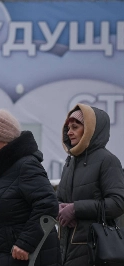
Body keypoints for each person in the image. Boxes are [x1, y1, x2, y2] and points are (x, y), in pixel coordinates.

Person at [0, 109, 61, 266]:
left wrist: (25, 243)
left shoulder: (26, 166)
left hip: (26, 259)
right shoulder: (1, 170)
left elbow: (47, 204)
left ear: (2, 138)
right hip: (3, 257)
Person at [57, 103, 124, 266]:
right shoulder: (70, 163)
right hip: (65, 251)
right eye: (68, 128)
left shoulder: (108, 161)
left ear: (91, 130)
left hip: (95, 253)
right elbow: (59, 198)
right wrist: (58, 208)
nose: (69, 132)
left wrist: (76, 209)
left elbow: (118, 203)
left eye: (75, 127)